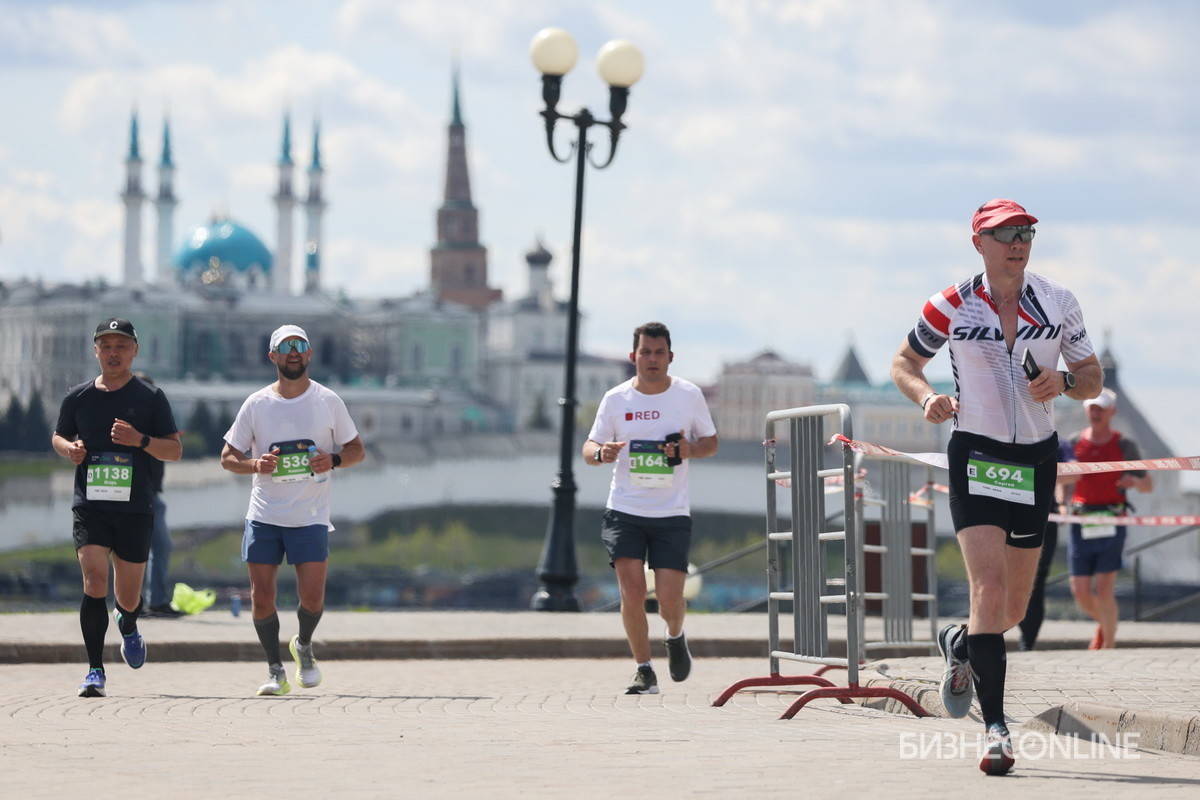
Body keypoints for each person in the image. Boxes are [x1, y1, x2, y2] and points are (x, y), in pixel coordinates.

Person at [890, 199, 1102, 775]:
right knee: (986, 587)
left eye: (1027, 232)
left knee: (1009, 608)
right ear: (979, 241)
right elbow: (904, 362)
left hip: (1035, 458)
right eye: (1006, 232)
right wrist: (926, 397)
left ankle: (961, 643)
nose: (1019, 241)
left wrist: (1063, 381)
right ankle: (997, 730)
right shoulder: (950, 304)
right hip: (977, 454)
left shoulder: (1058, 301)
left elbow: (1092, 378)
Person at [220, 324, 364, 696]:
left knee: (312, 598)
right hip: (265, 514)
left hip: (310, 516)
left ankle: (303, 644)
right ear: (273, 357)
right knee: (262, 596)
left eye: (300, 345)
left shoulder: (328, 401)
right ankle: (274, 670)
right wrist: (256, 465)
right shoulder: (256, 404)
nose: (294, 352)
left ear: (310, 353)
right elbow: (228, 457)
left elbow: (356, 451)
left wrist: (331, 460)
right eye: (285, 347)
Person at [582, 321, 718, 695]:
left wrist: (689, 449)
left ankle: (674, 636)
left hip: (671, 513)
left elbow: (711, 442)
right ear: (634, 357)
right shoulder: (616, 399)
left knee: (671, 598)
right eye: (646, 352)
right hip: (624, 509)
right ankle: (644, 669)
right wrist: (601, 453)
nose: (652, 359)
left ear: (670, 357)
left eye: (659, 353)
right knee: (632, 590)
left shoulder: (688, 395)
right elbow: (590, 448)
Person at [52, 318, 183, 697]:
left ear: (134, 351)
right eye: (106, 345)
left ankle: (128, 624)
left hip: (134, 506)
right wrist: (70, 450)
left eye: (121, 346)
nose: (113, 352)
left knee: (128, 597)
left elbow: (174, 450)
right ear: (95, 350)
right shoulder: (77, 397)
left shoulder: (150, 398)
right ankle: (95, 670)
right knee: (94, 580)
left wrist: (140, 440)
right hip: (90, 503)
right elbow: (59, 435)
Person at [1062, 388, 1153, 650]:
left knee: (1104, 589)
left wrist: (1134, 481)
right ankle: (1107, 622)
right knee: (1079, 591)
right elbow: (1063, 479)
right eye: (1092, 407)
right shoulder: (1074, 441)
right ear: (1085, 410)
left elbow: (1148, 484)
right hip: (1081, 522)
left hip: (1112, 520)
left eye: (1101, 408)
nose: (1096, 413)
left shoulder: (1125, 446)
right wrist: (1061, 500)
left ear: (1112, 411)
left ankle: (1109, 645)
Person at [133, 372, 185, 619]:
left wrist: (167, 442)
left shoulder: (153, 422)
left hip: (151, 493)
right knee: (146, 548)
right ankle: (142, 602)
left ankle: (150, 601)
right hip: (139, 493)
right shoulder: (134, 425)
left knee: (154, 547)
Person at [1016, 437, 1074, 651]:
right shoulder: (1004, 435)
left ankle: (1027, 642)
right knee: (1003, 577)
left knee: (1035, 581)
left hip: (1044, 517)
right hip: (1009, 512)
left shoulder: (1060, 443)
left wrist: (1042, 473)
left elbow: (1074, 472)